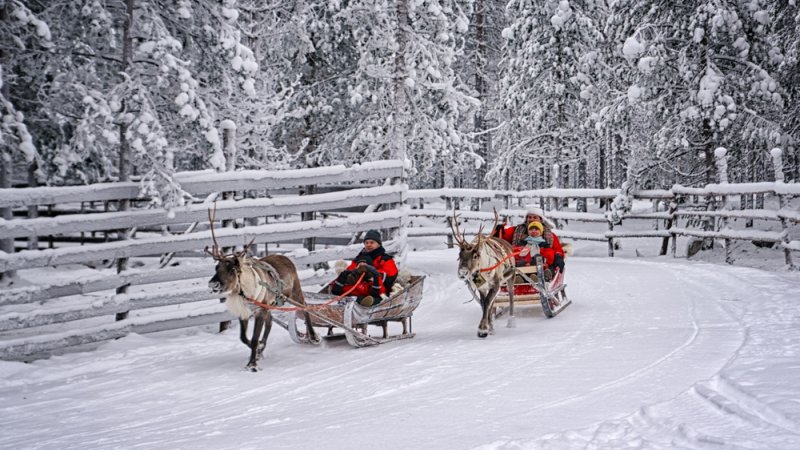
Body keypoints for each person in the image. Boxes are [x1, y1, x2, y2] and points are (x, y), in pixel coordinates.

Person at [328, 229, 399, 307]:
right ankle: (355, 300)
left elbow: (390, 274)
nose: (368, 245)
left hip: (377, 289)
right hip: (358, 288)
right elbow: (351, 270)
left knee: (375, 295)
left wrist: (371, 274)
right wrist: (353, 273)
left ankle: (367, 302)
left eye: (372, 242)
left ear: (378, 244)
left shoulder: (385, 259)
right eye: (366, 243)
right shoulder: (360, 258)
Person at [493, 206, 566, 274]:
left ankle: (546, 274)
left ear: (540, 219)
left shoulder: (550, 235)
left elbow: (557, 249)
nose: (531, 219)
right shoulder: (517, 230)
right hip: (522, 259)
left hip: (541, 260)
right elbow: (504, 235)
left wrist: (558, 257)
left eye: (535, 217)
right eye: (529, 217)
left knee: (545, 258)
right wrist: (499, 230)